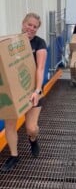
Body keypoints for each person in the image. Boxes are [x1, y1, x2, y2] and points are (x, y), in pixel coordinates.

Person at [1, 13, 47, 172]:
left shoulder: (39, 43)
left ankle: (33, 139)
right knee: (10, 125)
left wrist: (37, 90)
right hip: (14, 92)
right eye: (29, 25)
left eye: (35, 27)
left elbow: (40, 68)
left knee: (31, 128)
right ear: (23, 23)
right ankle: (14, 156)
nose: (32, 29)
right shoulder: (11, 42)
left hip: (33, 90)